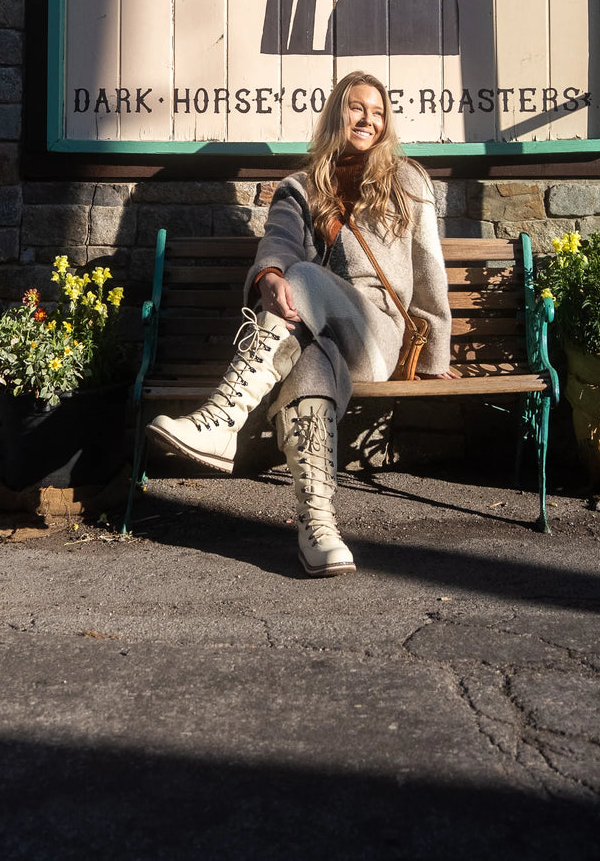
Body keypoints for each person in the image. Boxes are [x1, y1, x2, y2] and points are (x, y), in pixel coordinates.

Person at [147, 71, 453, 577]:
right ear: (337, 113)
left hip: (378, 338)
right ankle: (318, 525)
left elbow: (429, 271)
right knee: (309, 354)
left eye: (377, 113)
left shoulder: (407, 181)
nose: (368, 120)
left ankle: (225, 419)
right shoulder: (300, 189)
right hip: (323, 339)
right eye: (357, 108)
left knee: (303, 277)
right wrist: (268, 273)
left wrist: (436, 355)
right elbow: (279, 244)